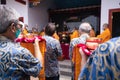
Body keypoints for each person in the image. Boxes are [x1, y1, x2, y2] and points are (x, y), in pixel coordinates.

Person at [0, 5, 43, 79]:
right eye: (18, 26)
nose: (20, 29)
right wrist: (36, 45)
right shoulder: (19, 52)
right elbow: (38, 68)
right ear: (13, 27)